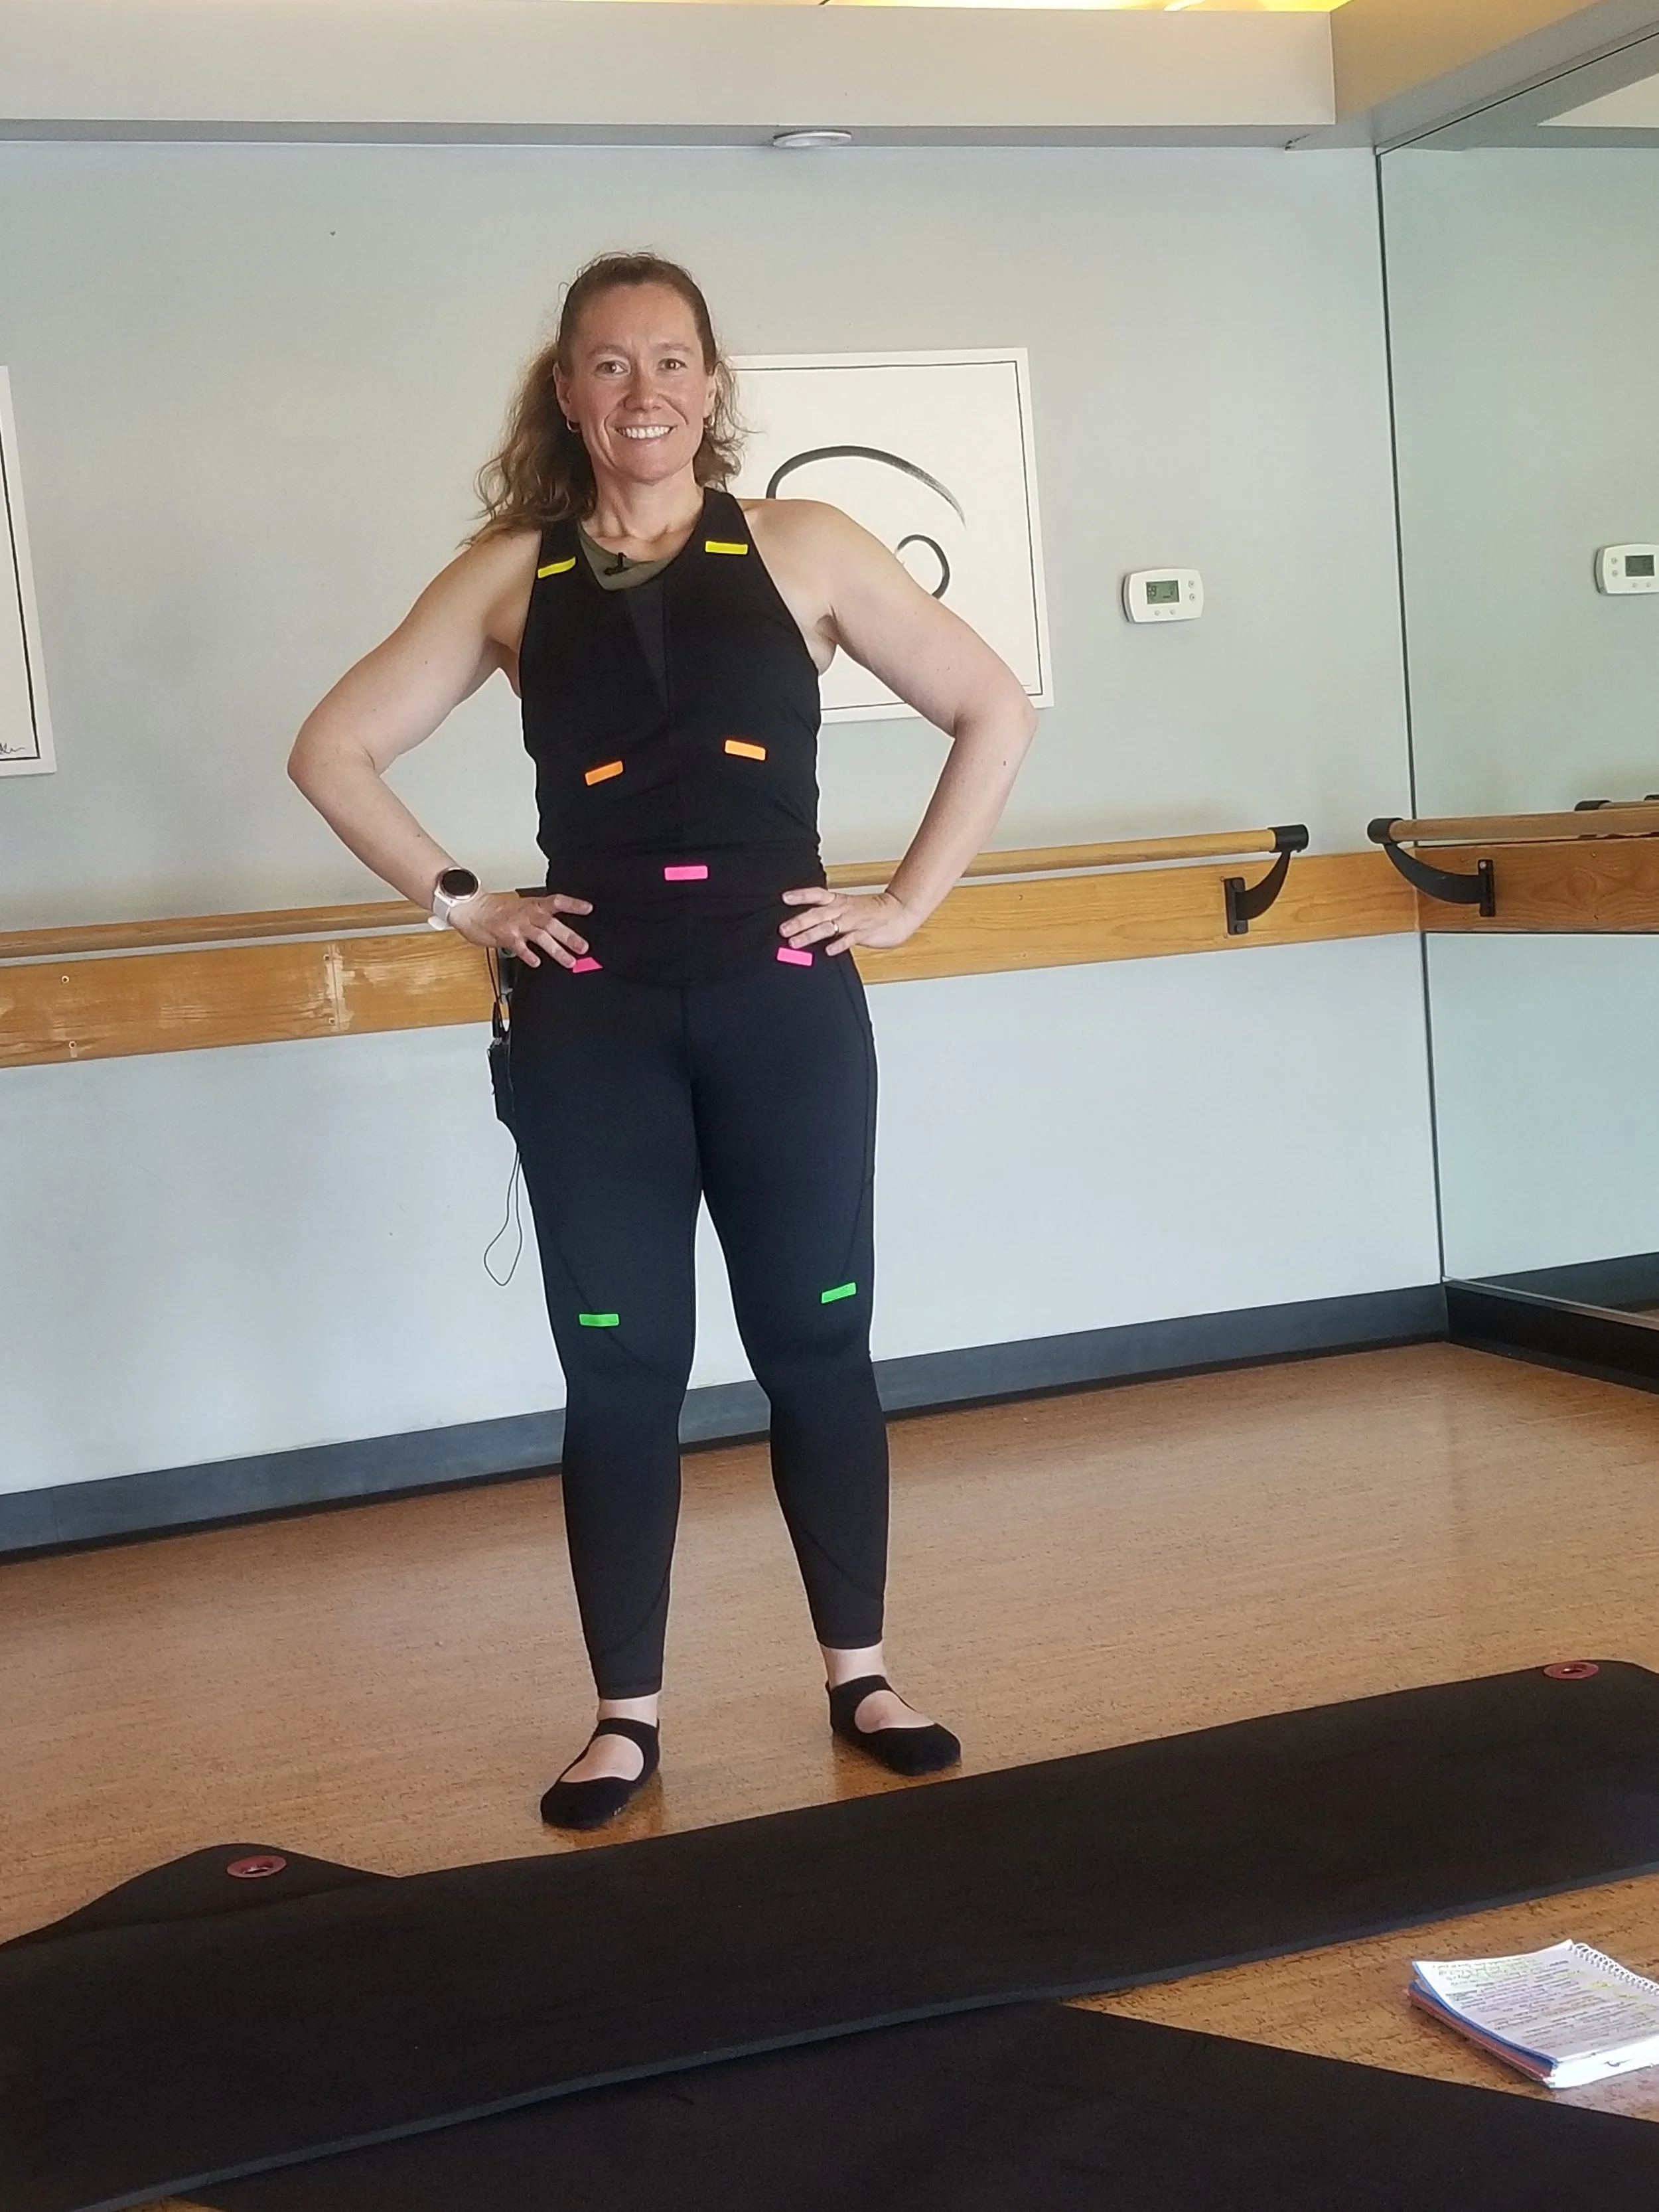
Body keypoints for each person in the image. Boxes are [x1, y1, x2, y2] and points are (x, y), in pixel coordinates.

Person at [289, 252, 1036, 1830]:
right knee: (620, 1366)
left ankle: (862, 1671)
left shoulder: (804, 546)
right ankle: (622, 1716)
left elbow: (994, 705)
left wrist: (904, 902)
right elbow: (333, 747)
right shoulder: (507, 575)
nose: (644, 392)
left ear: (713, 384)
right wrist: (462, 902)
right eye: (610, 365)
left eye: (672, 361)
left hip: (780, 1003)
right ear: (565, 391)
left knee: (816, 1340)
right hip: (596, 1015)